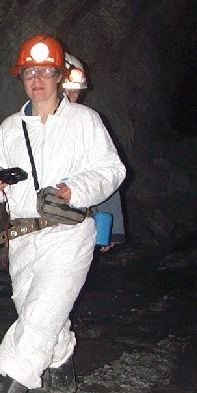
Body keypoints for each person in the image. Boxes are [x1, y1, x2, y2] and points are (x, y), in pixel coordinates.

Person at [0, 34, 126, 393]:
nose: (37, 79)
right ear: (21, 77)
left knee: (39, 319)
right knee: (46, 321)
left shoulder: (85, 121)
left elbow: (112, 170)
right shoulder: (10, 128)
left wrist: (76, 189)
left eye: (45, 71)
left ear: (58, 76)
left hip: (68, 236)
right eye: (29, 72)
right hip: (24, 240)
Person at [63, 52, 127, 252]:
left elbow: (105, 173)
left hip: (75, 221)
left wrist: (111, 228)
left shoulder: (86, 123)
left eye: (76, 92)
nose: (73, 98)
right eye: (67, 91)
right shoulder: (24, 125)